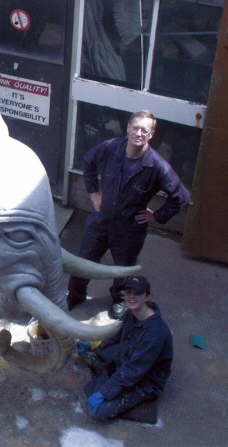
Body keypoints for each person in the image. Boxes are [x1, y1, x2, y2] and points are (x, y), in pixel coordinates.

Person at [67, 110, 189, 319]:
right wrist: (94, 192)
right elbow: (89, 162)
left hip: (129, 229)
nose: (139, 133)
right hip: (100, 221)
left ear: (151, 135)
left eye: (145, 130)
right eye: (136, 127)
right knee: (85, 261)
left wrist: (156, 216)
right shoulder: (112, 147)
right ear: (128, 128)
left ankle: (119, 299)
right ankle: (75, 295)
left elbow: (181, 196)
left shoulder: (157, 166)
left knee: (124, 269)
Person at [76, 275, 173, 421]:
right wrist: (94, 343)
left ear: (147, 297)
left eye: (137, 293)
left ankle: (137, 403)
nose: (132, 297)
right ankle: (106, 376)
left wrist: (104, 392)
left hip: (145, 378)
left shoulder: (154, 334)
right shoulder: (131, 313)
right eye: (129, 292)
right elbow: (116, 335)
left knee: (99, 410)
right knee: (91, 355)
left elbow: (133, 371)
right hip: (128, 355)